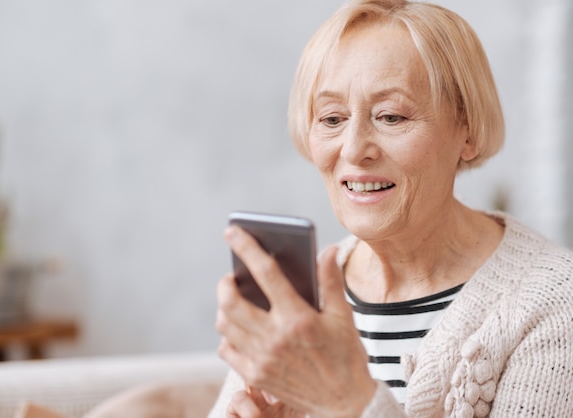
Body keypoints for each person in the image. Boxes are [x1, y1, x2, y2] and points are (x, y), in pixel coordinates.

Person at [209, 0, 573, 417]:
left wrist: (348, 402)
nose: (353, 148)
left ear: (467, 130)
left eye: (391, 116)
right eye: (331, 118)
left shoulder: (556, 303)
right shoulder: (297, 300)